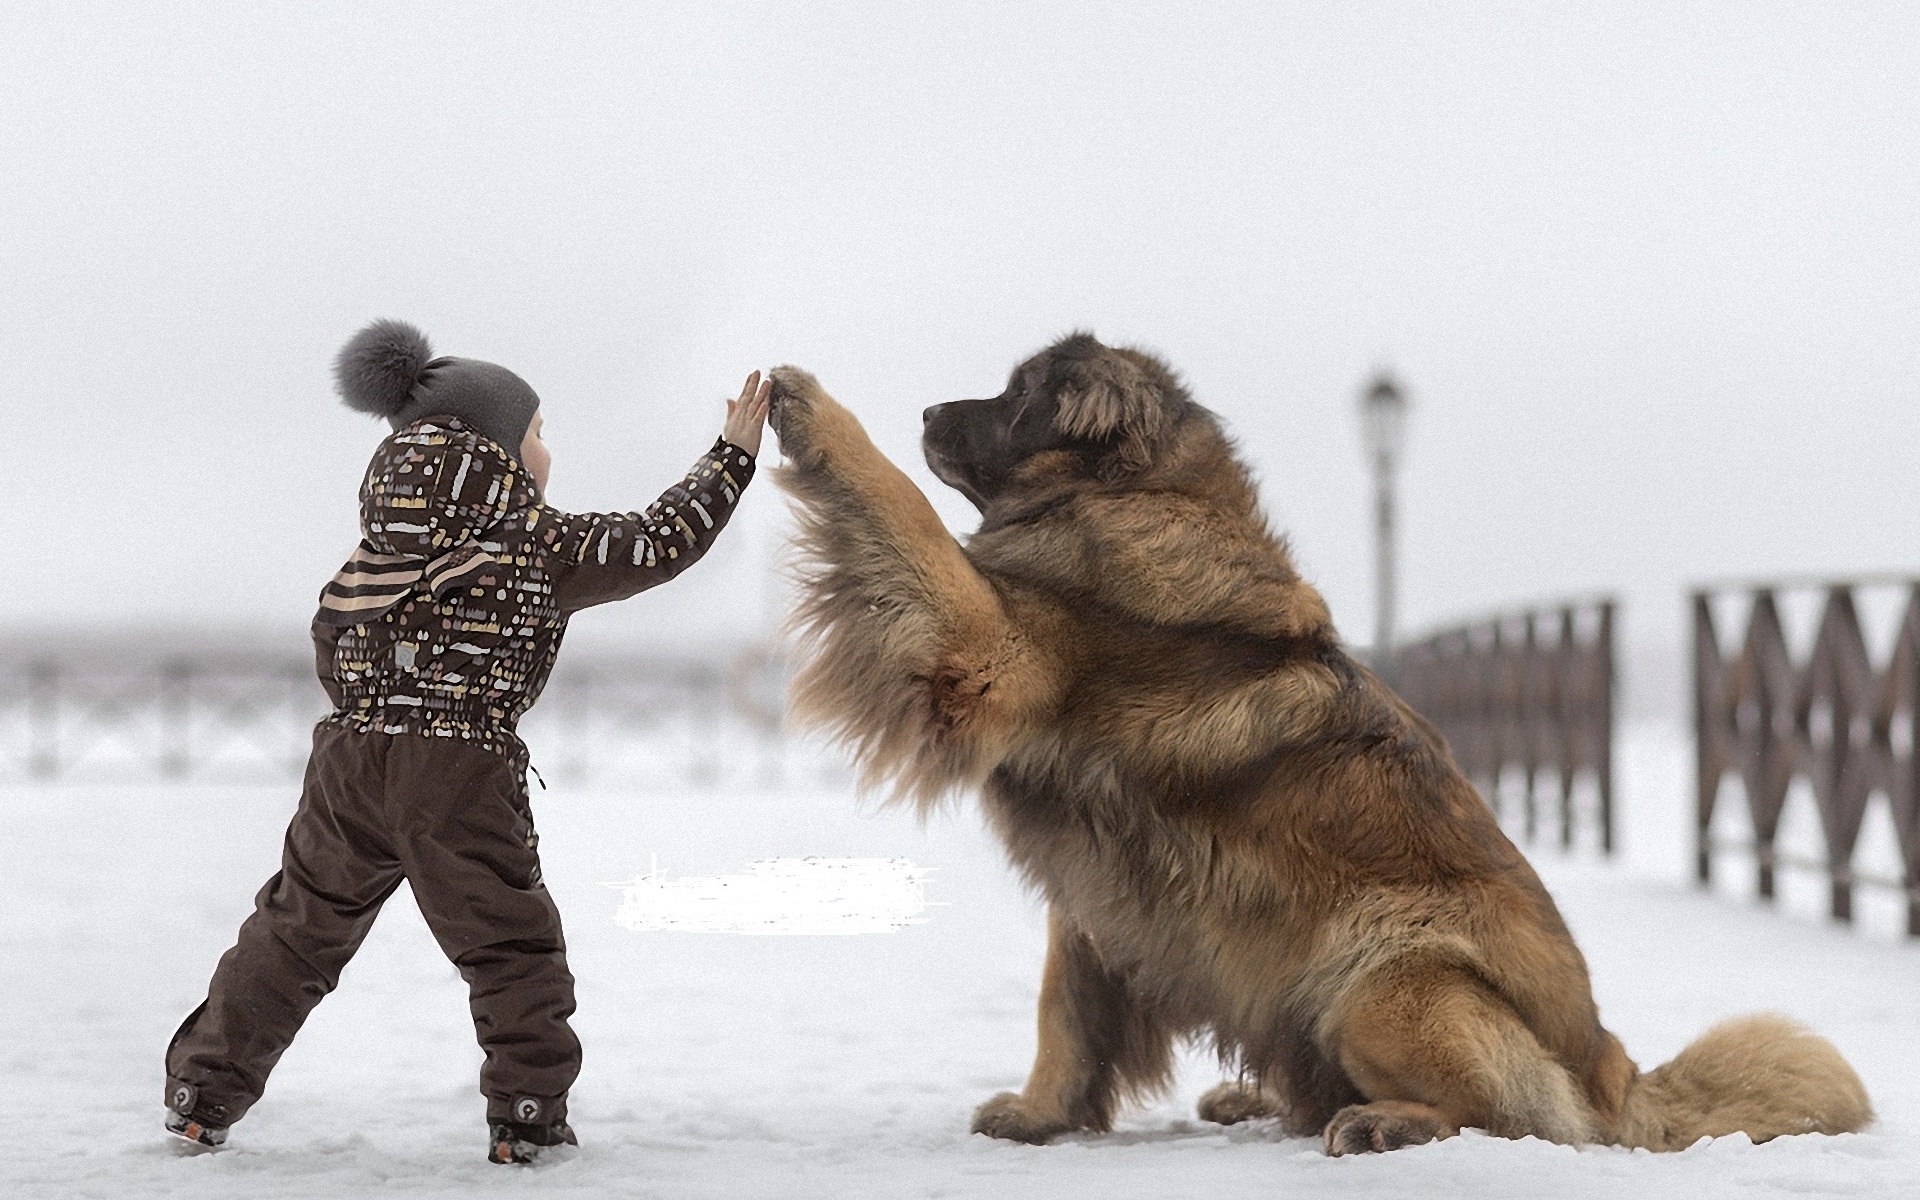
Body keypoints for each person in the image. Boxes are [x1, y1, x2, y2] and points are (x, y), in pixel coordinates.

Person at [162, 319, 770, 1164]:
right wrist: (731, 457)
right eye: (539, 434)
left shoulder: (373, 549)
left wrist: (376, 713)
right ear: (497, 451)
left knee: (294, 931)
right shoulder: (533, 542)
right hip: (459, 771)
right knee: (507, 941)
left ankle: (202, 1091)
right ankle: (527, 1110)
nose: (548, 451)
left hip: (347, 765)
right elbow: (657, 540)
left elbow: (329, 636)